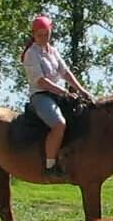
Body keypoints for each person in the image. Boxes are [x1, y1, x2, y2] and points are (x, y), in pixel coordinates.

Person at [22, 12, 90, 172]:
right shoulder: (31, 54)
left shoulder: (52, 50)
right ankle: (50, 165)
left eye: (47, 34)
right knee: (59, 124)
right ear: (34, 35)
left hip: (56, 94)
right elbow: (41, 81)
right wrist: (64, 93)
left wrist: (81, 90)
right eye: (40, 35)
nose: (44, 38)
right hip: (41, 95)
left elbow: (65, 72)